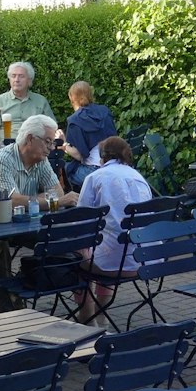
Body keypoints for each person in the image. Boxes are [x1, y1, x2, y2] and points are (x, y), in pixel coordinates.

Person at [0, 114, 79, 311]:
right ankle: (3, 312)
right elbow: (11, 201)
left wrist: (29, 201)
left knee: (53, 236)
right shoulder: (2, 160)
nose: (51, 148)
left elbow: (57, 192)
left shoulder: (41, 160)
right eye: (47, 141)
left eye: (52, 142)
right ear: (30, 139)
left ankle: (24, 283)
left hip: (16, 224)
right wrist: (46, 201)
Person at [74, 136, 153, 324]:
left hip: (112, 265)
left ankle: (87, 316)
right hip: (148, 260)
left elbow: (82, 222)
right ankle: (101, 313)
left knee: (77, 250)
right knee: (107, 242)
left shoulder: (95, 178)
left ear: (102, 157)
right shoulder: (139, 178)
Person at [59, 80, 117, 188]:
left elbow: (79, 155)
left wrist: (63, 144)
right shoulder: (105, 111)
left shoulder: (75, 120)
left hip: (94, 172)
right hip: (114, 166)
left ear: (72, 99)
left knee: (64, 171)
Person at [0, 61, 54, 134]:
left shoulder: (41, 101)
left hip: (32, 140)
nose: (16, 80)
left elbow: (52, 127)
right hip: (6, 140)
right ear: (9, 79)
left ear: (29, 80)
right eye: (13, 76)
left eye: (21, 76)